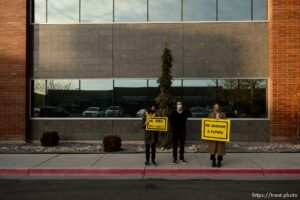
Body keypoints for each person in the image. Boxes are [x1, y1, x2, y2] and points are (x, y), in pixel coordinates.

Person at [207, 103, 227, 167]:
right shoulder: (210, 114)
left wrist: (221, 120)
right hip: (213, 135)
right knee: (213, 150)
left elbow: (227, 123)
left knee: (220, 150)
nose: (216, 107)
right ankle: (213, 161)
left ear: (219, 107)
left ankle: (219, 161)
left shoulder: (223, 114)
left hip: (220, 135)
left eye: (217, 106)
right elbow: (207, 123)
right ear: (213, 107)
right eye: (215, 106)